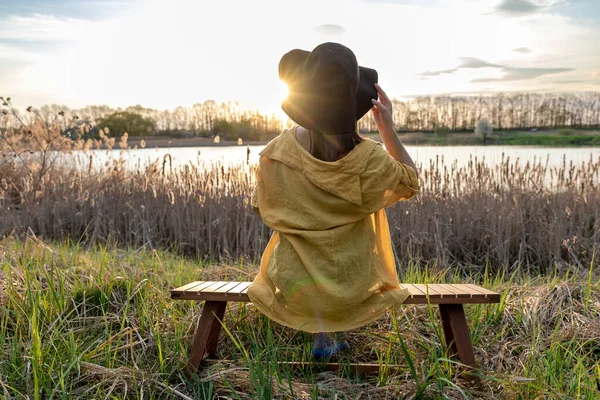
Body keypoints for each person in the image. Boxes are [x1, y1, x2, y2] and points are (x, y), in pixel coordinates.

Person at [247, 42, 419, 358]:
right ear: (353, 102)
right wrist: (388, 131)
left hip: (291, 285)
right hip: (351, 287)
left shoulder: (276, 153)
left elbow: (261, 207)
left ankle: (321, 336)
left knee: (306, 260)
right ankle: (327, 337)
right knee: (340, 262)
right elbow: (410, 180)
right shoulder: (369, 159)